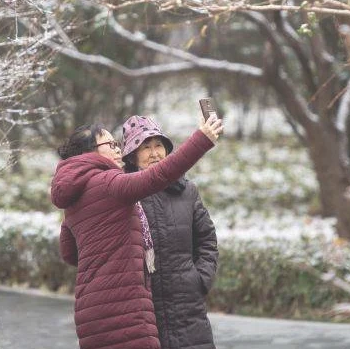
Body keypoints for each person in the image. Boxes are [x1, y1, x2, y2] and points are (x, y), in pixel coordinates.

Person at [51, 116, 223, 349]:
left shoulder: (75, 194)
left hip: (91, 311)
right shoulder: (111, 183)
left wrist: (197, 279)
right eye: (110, 145)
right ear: (91, 152)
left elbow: (70, 254)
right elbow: (159, 176)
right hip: (125, 307)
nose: (117, 150)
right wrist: (202, 139)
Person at [121, 115, 218, 349]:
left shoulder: (187, 191)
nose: (154, 153)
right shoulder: (123, 194)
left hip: (187, 306)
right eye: (145, 147)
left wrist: (200, 279)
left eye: (158, 145)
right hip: (143, 307)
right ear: (132, 155)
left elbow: (206, 239)